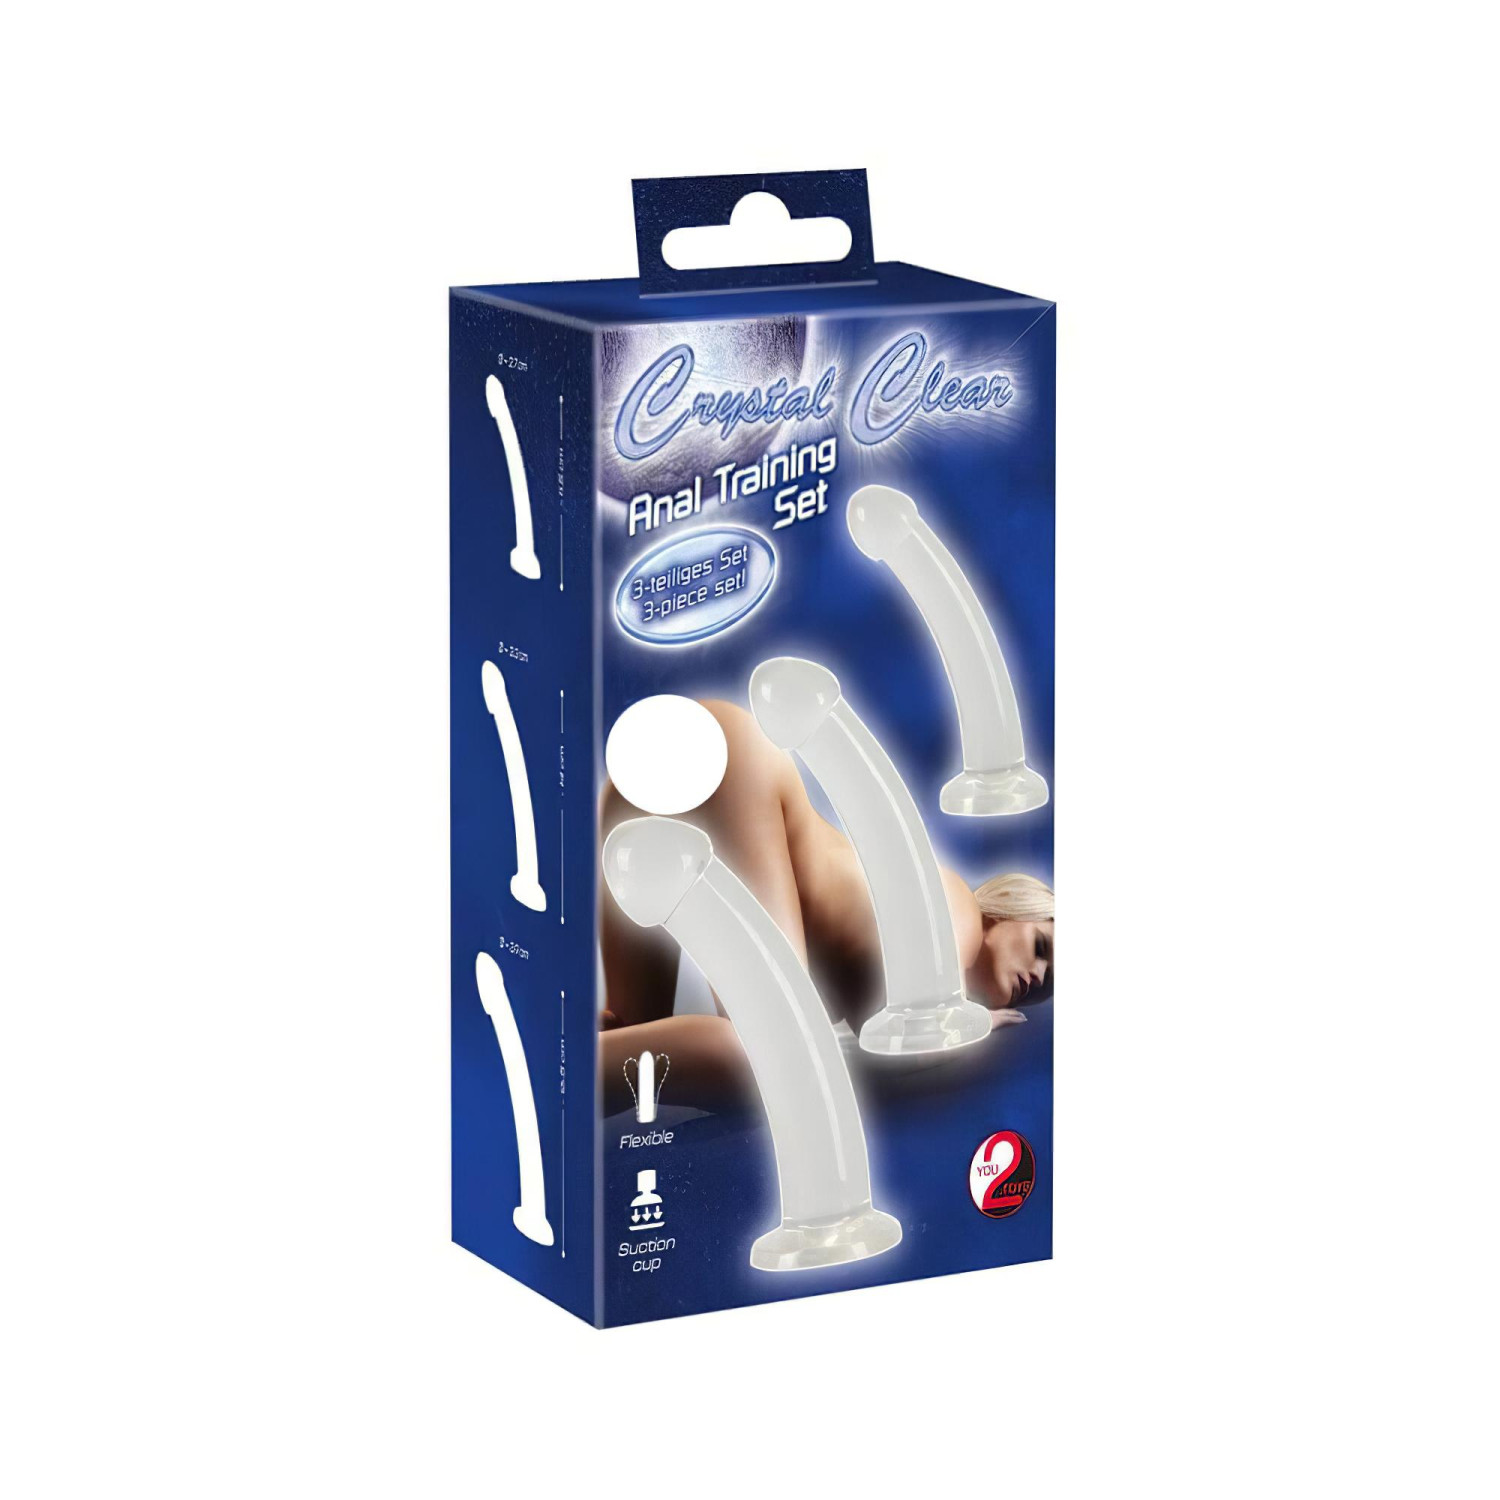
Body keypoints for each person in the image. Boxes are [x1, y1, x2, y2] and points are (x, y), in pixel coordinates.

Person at [600, 701, 1053, 1113]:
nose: (1037, 975)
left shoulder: (936, 931)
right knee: (773, 1056)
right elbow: (887, 1042)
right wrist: (955, 1033)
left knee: (628, 1035)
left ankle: (566, 1068)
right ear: (1007, 910)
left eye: (1046, 984)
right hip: (737, 770)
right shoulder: (959, 919)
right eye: (1041, 946)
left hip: (668, 762)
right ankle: (568, 1072)